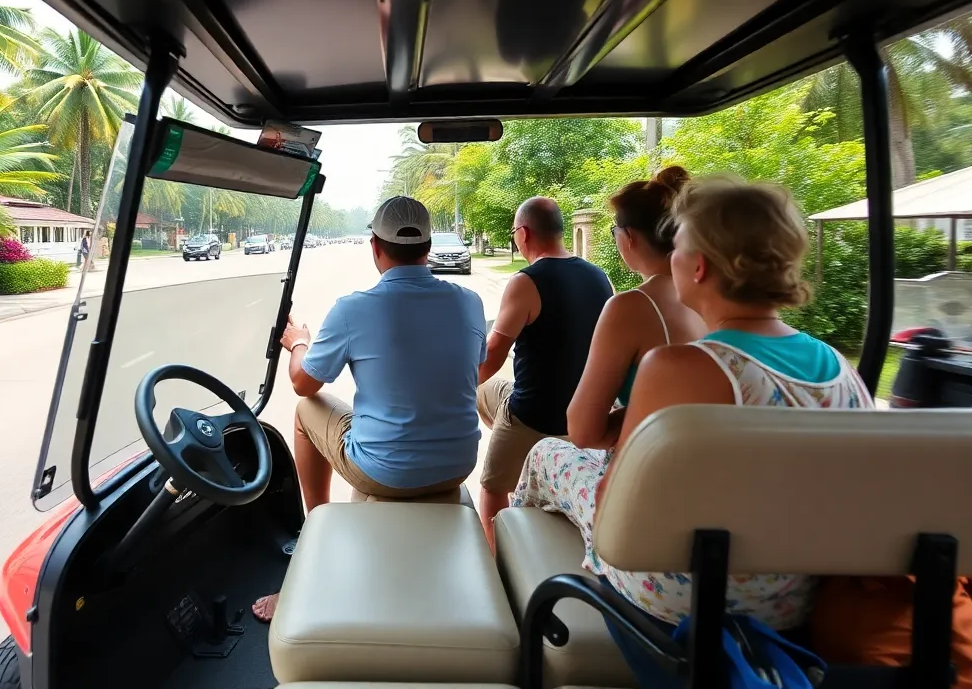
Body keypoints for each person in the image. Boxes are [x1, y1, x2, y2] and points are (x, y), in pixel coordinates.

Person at [510, 176, 874, 687]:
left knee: (550, 453)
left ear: (698, 265)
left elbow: (619, 508)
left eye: (677, 244)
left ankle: (519, 597)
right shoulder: (840, 368)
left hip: (679, 603)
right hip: (796, 599)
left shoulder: (678, 368)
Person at [252, 196, 486, 621]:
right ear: (428, 247)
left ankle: (317, 528)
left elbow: (303, 382)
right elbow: (475, 365)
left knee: (305, 410)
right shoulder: (469, 302)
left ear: (375, 247)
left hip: (385, 472)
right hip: (457, 464)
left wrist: (299, 343)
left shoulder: (353, 308)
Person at [475, 196, 612, 549]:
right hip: (585, 416)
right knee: (486, 393)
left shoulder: (525, 281)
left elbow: (491, 358)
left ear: (523, 234)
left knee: (491, 488)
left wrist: (450, 387)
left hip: (534, 416)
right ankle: (525, 462)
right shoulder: (599, 277)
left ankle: (498, 561)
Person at [565, 167, 706, 450]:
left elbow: (583, 431)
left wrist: (636, 414)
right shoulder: (713, 295)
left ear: (629, 237)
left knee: (542, 453)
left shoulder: (631, 306)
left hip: (657, 458)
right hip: (711, 452)